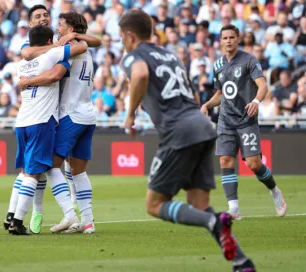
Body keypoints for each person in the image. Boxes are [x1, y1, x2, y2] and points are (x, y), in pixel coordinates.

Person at [119, 10, 256, 271]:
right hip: (202, 125)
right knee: (199, 206)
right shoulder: (170, 55)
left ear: (129, 35)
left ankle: (215, 222)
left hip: (178, 131)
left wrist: (130, 114)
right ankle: (242, 261)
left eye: (121, 37)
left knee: (154, 204)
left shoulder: (135, 55)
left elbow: (139, 75)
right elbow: (193, 96)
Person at [3, 4, 101, 234]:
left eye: (60, 24)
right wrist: (69, 38)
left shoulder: (62, 49)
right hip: (87, 114)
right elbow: (91, 42)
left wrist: (28, 80)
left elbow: (51, 70)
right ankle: (87, 221)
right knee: (76, 170)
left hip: (67, 115)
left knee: (47, 167)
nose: (55, 27)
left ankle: (67, 215)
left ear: (72, 30)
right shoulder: (80, 50)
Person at [201, 25, 287, 220]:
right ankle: (234, 209)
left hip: (246, 120)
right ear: (221, 41)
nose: (229, 41)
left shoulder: (249, 60)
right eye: (225, 38)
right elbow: (221, 94)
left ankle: (275, 191)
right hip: (225, 120)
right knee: (225, 160)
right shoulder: (217, 65)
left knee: (254, 165)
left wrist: (256, 101)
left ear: (238, 39)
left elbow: (263, 86)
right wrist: (207, 104)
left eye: (232, 37)